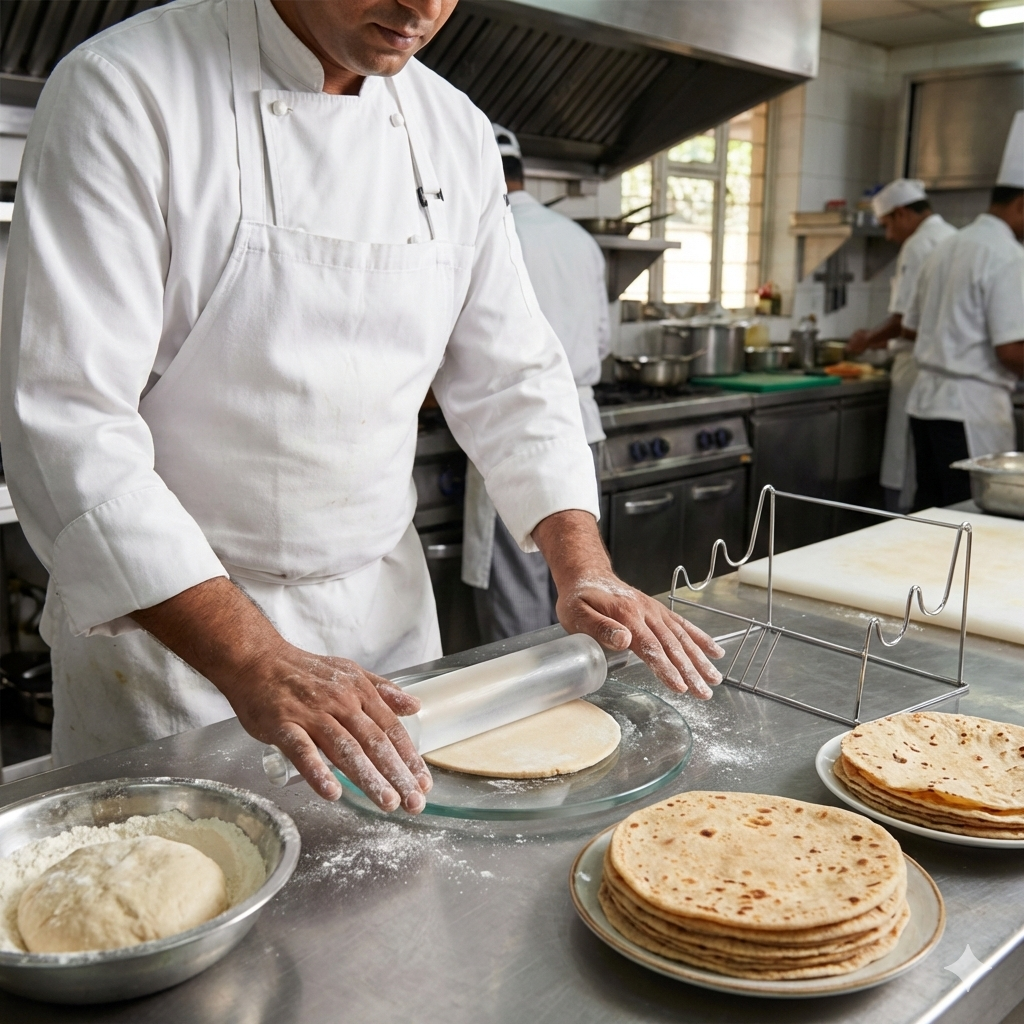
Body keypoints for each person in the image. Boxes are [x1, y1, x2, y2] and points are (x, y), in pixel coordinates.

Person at [0, 0, 724, 812]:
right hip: (181, 647)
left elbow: (514, 374)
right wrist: (252, 658)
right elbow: (67, 417)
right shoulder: (127, 90)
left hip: (386, 628)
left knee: (387, 904)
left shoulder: (452, 127)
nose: (420, 7)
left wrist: (583, 565)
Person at [462, 125, 609, 642]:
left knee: (519, 602)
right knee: (582, 594)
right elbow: (601, 338)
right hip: (584, 429)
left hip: (510, 433)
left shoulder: (484, 233)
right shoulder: (579, 239)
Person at [904, 111, 1024, 509]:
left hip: (925, 406)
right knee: (971, 526)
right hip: (968, 413)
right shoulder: (1008, 255)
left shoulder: (947, 246)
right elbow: (1010, 351)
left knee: (932, 515)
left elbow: (914, 326)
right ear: (1021, 205)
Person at [846, 180, 955, 512]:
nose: (889, 236)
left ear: (903, 213)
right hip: (944, 373)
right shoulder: (953, 237)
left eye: (887, 225)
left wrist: (865, 340)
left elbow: (905, 321)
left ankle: (900, 518)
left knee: (904, 462)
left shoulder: (919, 244)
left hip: (917, 369)